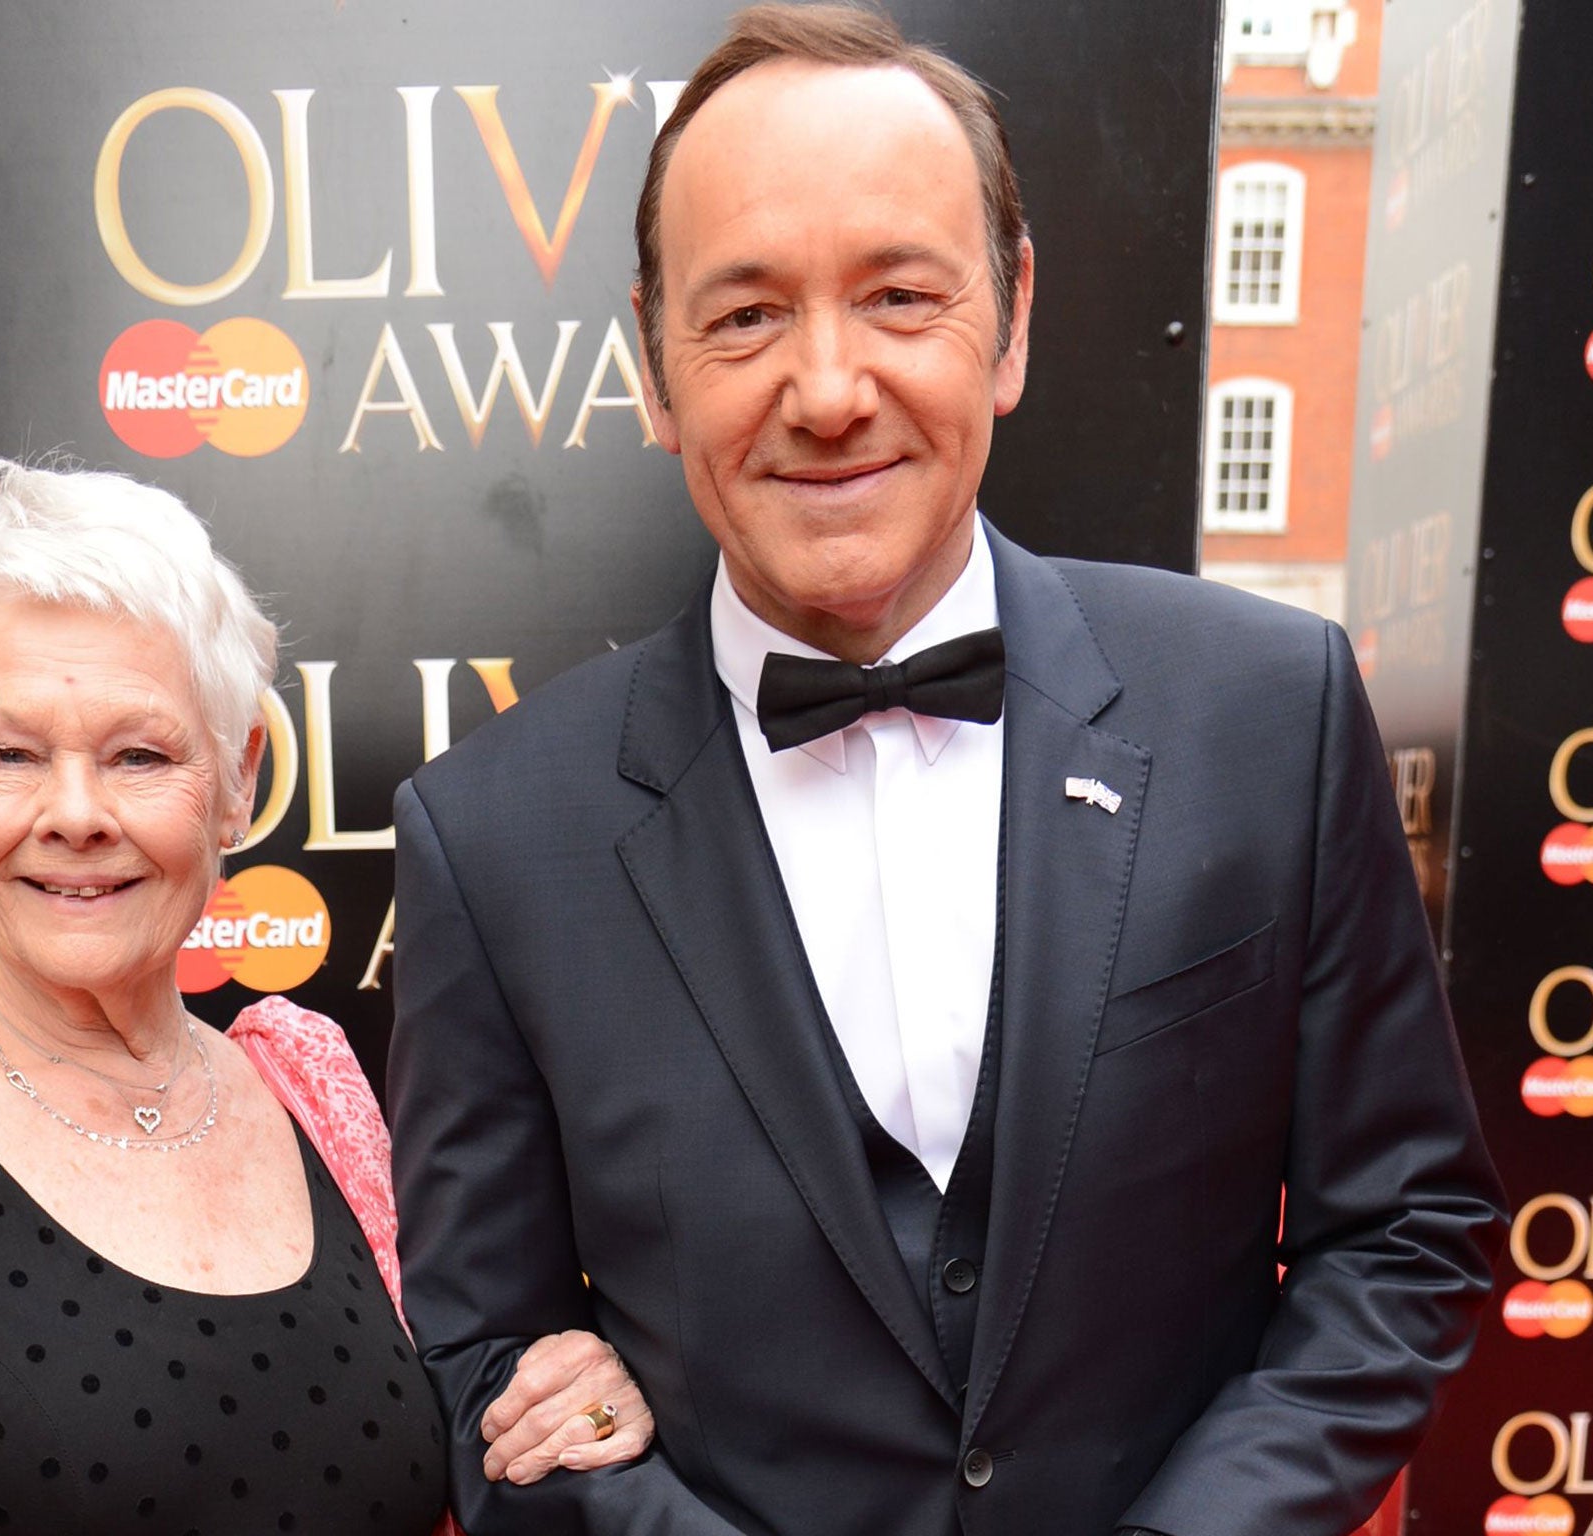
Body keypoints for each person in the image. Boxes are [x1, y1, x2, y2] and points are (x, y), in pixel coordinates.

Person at [386, 8, 1506, 1536]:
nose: (830, 388)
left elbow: (1408, 1233)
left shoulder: (1269, 708)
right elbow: (485, 1358)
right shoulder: (494, 837)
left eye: (901, 296)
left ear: (1014, 319)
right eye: (746, 317)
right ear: (654, 364)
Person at [0, 460, 650, 1535]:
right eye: (7, 754)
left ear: (237, 780)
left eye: (137, 755)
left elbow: (471, 1430)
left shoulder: (304, 1087)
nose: (75, 813)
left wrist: (579, 1401)